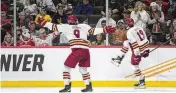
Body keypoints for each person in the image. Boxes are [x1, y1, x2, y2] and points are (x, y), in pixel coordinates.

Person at [36, 15, 114, 92]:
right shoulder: (84, 26)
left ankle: (67, 86)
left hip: (77, 50)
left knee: (66, 68)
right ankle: (89, 86)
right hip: (86, 51)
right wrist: (105, 29)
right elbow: (94, 31)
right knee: (83, 69)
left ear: (68, 22)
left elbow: (53, 26)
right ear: (76, 21)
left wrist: (43, 22)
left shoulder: (66, 27)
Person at [111, 18, 150, 89]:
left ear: (127, 24)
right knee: (126, 42)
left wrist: (137, 53)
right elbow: (145, 39)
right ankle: (119, 57)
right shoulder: (139, 27)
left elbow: (134, 42)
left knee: (134, 65)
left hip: (138, 50)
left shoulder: (129, 32)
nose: (123, 25)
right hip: (144, 47)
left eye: (124, 23)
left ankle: (141, 81)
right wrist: (147, 49)